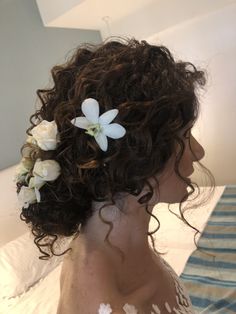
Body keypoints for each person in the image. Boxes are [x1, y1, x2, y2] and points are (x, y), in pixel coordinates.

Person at [16, 37, 215, 313]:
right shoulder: (106, 302)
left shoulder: (118, 245)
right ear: (134, 157)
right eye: (184, 136)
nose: (199, 151)